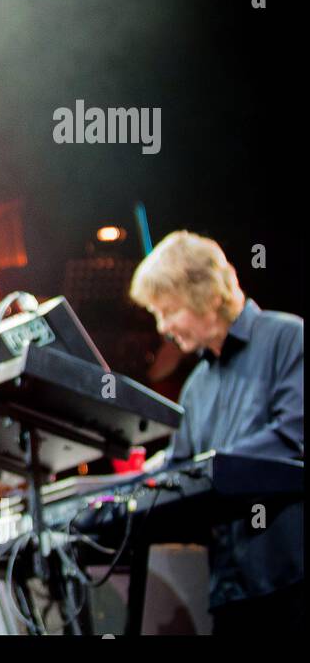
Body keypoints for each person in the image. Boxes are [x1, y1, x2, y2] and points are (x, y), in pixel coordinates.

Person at [130, 230, 303, 634]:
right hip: (230, 591)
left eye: (168, 310)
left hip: (293, 579)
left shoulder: (288, 338)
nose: (163, 327)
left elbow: (294, 436)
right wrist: (121, 488)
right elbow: (178, 466)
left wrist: (209, 470)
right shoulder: (196, 386)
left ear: (206, 292)